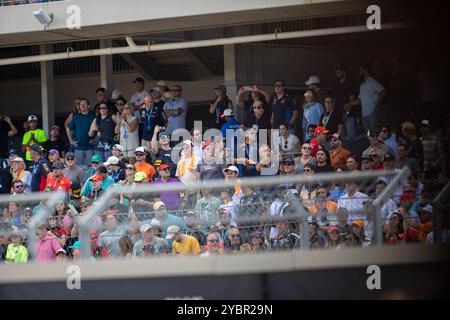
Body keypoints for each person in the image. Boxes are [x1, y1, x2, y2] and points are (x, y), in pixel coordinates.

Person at [344, 63, 387, 133]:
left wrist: (376, 105)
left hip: (372, 113)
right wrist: (349, 104)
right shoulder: (362, 85)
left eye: (361, 70)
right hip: (364, 114)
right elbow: (359, 100)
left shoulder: (373, 82)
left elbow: (383, 91)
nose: (359, 72)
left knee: (376, 133)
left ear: (365, 71)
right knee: (368, 135)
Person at [67, 98, 96, 166]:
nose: (82, 106)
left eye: (84, 104)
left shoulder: (93, 116)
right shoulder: (76, 116)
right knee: (79, 167)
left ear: (88, 106)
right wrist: (71, 141)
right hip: (78, 147)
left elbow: (98, 128)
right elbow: (68, 128)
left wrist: (95, 139)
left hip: (90, 147)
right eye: (81, 104)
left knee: (90, 167)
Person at [334, 64, 358, 139]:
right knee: (340, 139)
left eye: (338, 72)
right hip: (338, 116)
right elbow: (335, 100)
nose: (336, 73)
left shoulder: (350, 83)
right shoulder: (336, 84)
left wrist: (346, 114)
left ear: (344, 72)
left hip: (349, 116)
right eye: (336, 72)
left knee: (351, 138)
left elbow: (352, 101)